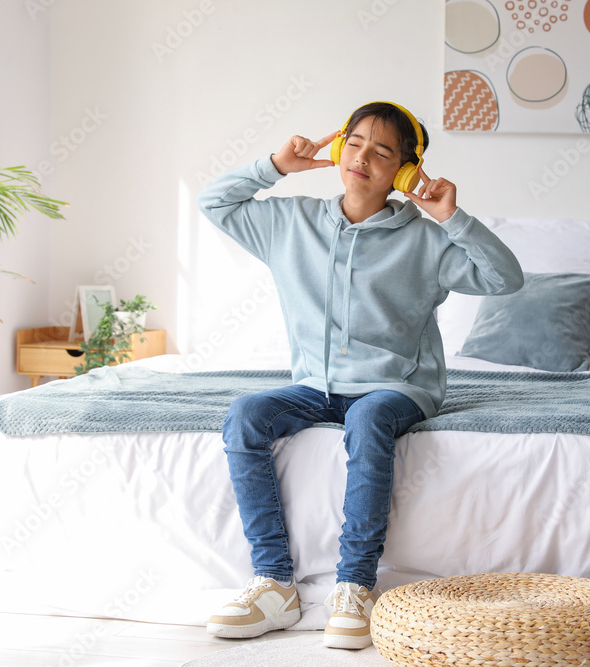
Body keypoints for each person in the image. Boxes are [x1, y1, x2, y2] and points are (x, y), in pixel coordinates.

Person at [197, 101, 523, 650]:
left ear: (404, 170)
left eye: (383, 150)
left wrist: (451, 217)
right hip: (313, 387)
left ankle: (355, 584)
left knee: (370, 416)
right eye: (355, 141)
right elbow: (212, 201)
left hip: (396, 388)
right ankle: (275, 582)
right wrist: (274, 168)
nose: (362, 157)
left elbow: (505, 278)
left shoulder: (427, 240)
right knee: (246, 414)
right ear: (337, 148)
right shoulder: (289, 222)